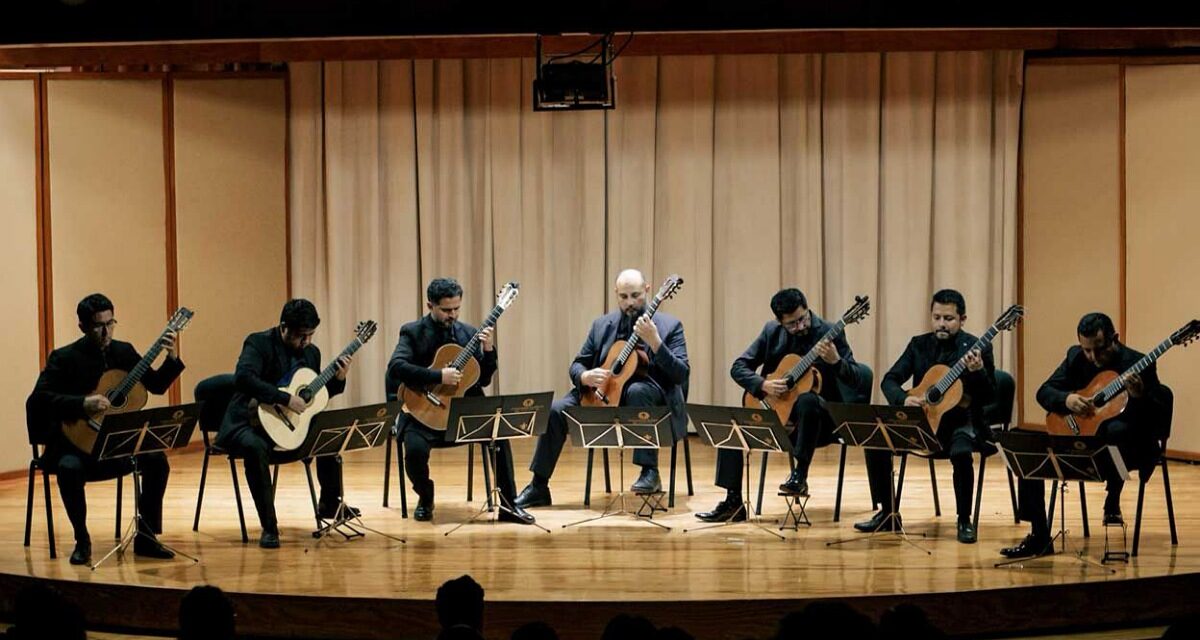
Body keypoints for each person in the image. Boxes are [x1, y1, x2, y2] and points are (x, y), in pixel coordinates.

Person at [26, 293, 182, 565]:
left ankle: (145, 537)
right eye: (99, 325)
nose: (106, 331)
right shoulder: (64, 358)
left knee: (157, 460)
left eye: (111, 323)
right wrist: (82, 403)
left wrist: (171, 357)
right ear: (83, 327)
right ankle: (82, 539)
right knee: (69, 469)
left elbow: (155, 386)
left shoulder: (124, 351)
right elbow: (38, 400)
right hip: (75, 445)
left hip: (115, 444)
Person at [516, 269, 690, 507]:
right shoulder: (601, 325)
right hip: (603, 397)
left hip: (652, 406)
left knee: (638, 390)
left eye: (636, 295)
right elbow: (578, 364)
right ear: (616, 294)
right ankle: (539, 486)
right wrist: (585, 375)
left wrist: (656, 342)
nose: (630, 303)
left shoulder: (670, 326)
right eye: (624, 296)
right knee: (555, 410)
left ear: (648, 290)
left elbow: (681, 373)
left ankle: (649, 472)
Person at [1001, 312, 1168, 558]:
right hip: (1076, 443)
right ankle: (1039, 536)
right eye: (1087, 349)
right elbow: (1044, 392)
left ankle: (1113, 497)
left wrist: (1139, 396)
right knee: (1028, 446)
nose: (1093, 357)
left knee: (1115, 429)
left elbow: (1153, 422)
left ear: (1114, 339)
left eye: (1099, 349)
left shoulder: (1139, 363)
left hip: (1121, 451)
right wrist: (1066, 400)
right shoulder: (1075, 357)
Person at [696, 288, 868, 522]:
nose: (799, 327)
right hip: (777, 419)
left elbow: (857, 379)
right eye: (791, 324)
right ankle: (733, 502)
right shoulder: (771, 332)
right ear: (780, 321)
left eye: (802, 319)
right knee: (733, 423)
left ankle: (799, 476)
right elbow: (738, 367)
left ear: (808, 309)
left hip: (819, 424)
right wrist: (762, 385)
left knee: (808, 399)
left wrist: (836, 362)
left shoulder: (829, 332)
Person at [386, 278, 534, 524]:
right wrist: (437, 375)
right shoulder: (412, 332)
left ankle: (508, 505)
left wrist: (488, 351)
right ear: (430, 305)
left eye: (456, 309)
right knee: (413, 450)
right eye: (446, 310)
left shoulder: (469, 333)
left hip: (460, 415)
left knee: (500, 433)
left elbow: (482, 379)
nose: (452, 314)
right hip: (423, 413)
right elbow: (396, 367)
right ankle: (425, 495)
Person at [217, 299, 356, 548]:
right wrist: (284, 398)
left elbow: (312, 397)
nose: (307, 342)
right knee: (254, 448)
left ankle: (330, 503)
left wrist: (338, 379)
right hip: (248, 422)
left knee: (329, 431)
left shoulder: (311, 353)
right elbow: (244, 378)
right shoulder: (258, 343)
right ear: (283, 327)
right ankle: (269, 527)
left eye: (311, 335)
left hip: (289, 426)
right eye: (301, 336)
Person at [860, 289, 994, 543]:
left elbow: (989, 395)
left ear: (962, 319)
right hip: (923, 422)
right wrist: (903, 399)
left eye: (949, 318)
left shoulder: (978, 348)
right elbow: (890, 380)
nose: (941, 324)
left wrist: (977, 372)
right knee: (876, 441)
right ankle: (888, 513)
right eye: (937, 317)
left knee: (961, 454)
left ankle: (964, 519)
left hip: (959, 423)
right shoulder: (918, 345)